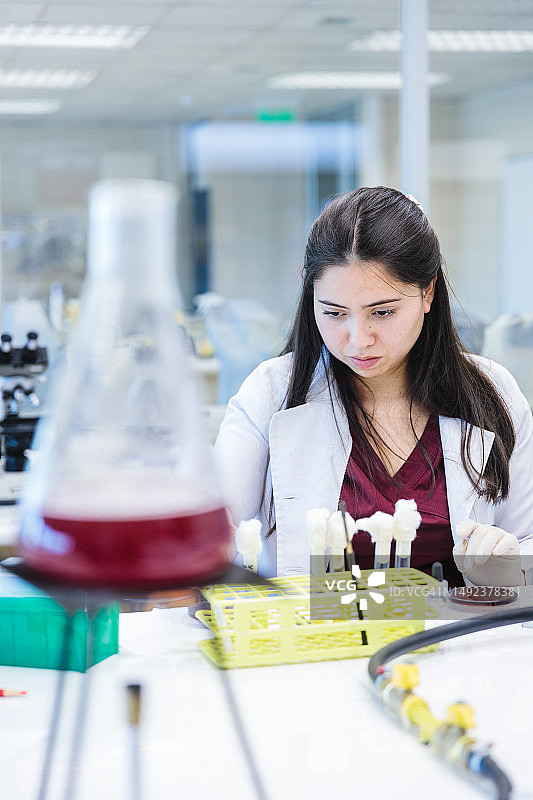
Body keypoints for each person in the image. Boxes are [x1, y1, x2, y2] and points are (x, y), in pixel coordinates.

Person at [214, 186, 533, 586]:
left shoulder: (492, 393)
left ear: (428, 292)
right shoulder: (271, 394)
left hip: (454, 642)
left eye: (382, 312)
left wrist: (509, 562)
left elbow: (526, 542)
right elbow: (211, 539)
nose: (358, 339)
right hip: (315, 646)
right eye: (334, 313)